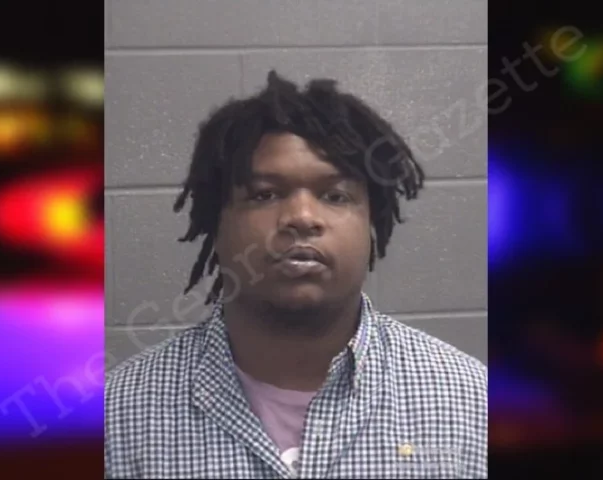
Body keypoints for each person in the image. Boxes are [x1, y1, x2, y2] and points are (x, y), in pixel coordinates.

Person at [105, 71, 487, 479]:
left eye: (335, 195)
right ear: (217, 225)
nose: (302, 217)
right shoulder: (117, 419)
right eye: (264, 194)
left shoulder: (471, 403)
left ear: (371, 226)